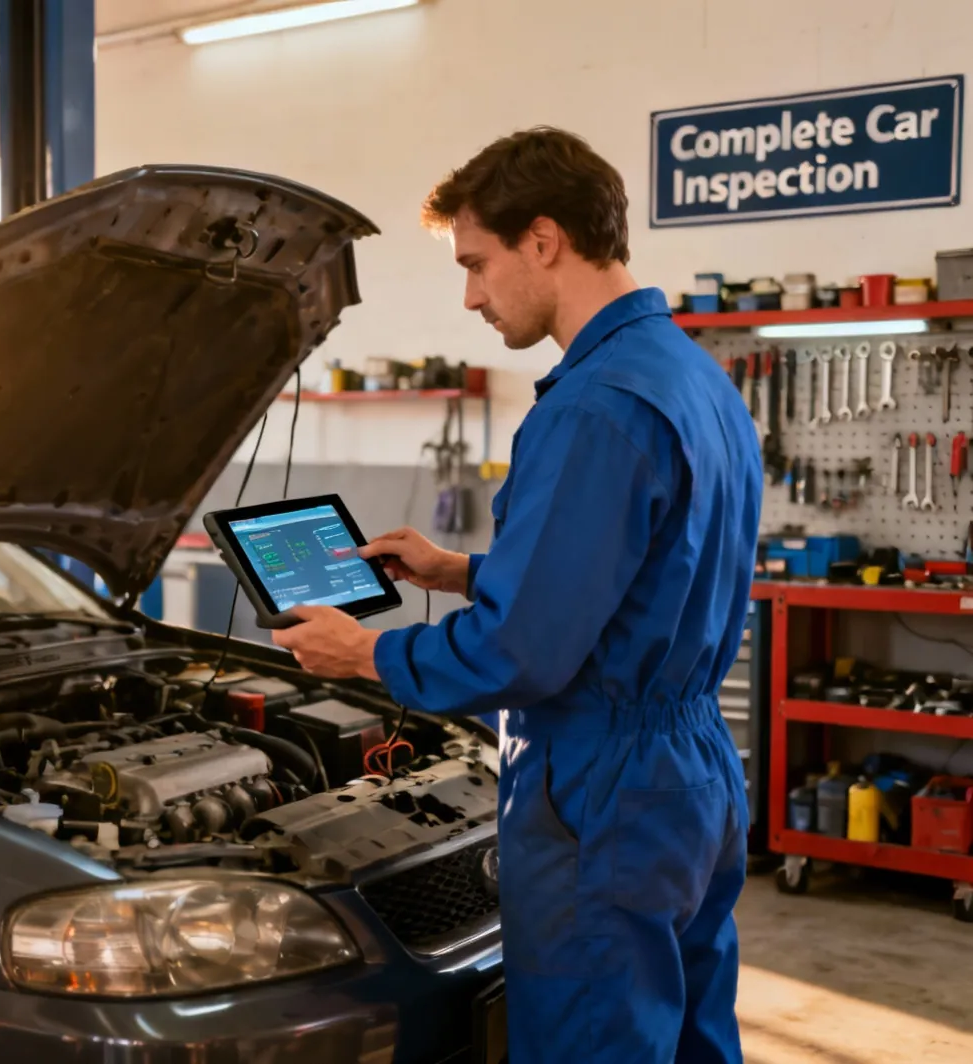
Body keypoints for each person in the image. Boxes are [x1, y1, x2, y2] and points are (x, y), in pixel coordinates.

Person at [271, 127, 761, 1064]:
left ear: (544, 240)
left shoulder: (591, 406)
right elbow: (646, 576)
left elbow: (519, 655)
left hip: (599, 784)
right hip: (691, 774)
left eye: (477, 264)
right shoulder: (690, 377)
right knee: (689, 1035)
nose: (471, 296)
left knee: (591, 1043)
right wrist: (464, 572)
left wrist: (367, 652)